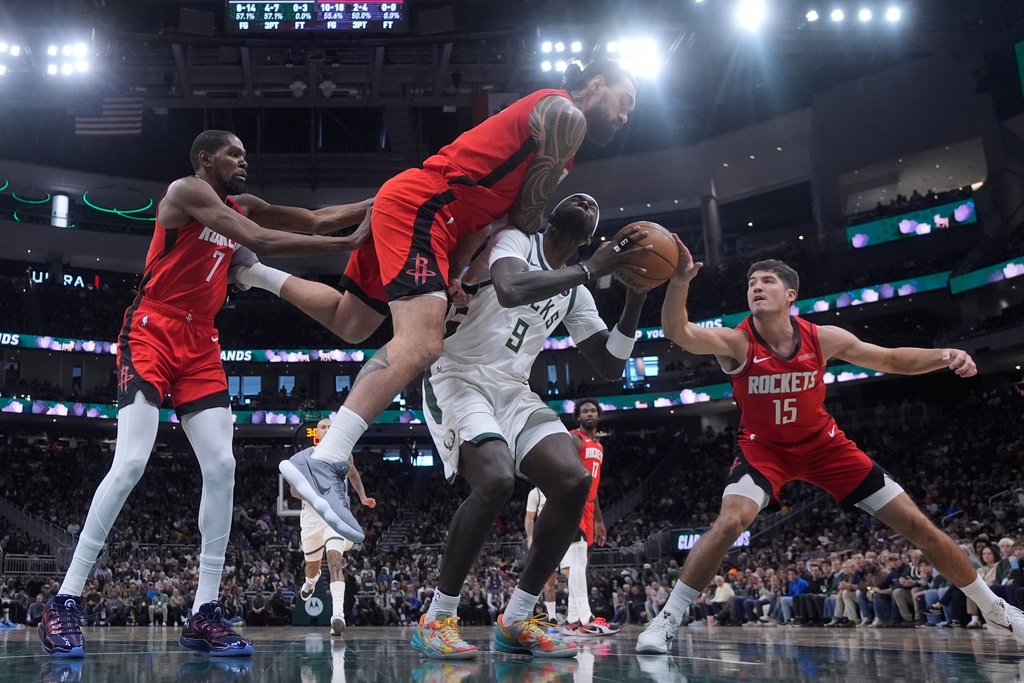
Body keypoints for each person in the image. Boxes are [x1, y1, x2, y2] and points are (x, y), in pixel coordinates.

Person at [264, 58, 639, 547]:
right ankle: (325, 460)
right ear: (595, 84)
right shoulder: (566, 117)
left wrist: (458, 271)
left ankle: (252, 270)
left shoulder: (556, 129)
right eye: (624, 101)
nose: (626, 115)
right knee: (421, 344)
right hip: (427, 209)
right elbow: (523, 219)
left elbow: (486, 215)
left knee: (351, 321)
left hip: (435, 217)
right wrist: (590, 263)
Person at [38, 129, 373, 659]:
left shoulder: (244, 203)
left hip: (200, 341)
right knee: (130, 463)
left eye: (246, 151)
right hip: (151, 329)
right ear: (205, 159)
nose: (243, 159)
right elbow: (258, 239)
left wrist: (383, 202)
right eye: (233, 153)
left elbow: (311, 218)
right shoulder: (188, 192)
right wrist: (347, 246)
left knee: (222, 468)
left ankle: (205, 610)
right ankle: (65, 599)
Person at [635, 250, 1024, 653]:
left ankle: (994, 607)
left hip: (826, 447)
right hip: (764, 450)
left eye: (766, 281)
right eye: (751, 283)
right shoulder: (736, 342)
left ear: (790, 295)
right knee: (731, 522)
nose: (756, 287)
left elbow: (890, 359)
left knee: (918, 525)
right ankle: (668, 617)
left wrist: (946, 356)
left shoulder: (822, 338)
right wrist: (679, 281)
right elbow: (678, 330)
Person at [407, 193, 650, 659]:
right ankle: (437, 617)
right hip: (457, 375)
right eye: (575, 194)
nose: (584, 198)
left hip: (513, 389)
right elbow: (511, 289)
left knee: (573, 478)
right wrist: (590, 270)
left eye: (594, 204)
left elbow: (609, 366)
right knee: (496, 479)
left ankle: (518, 617)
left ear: (588, 237)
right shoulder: (516, 239)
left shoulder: (577, 292)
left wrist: (635, 298)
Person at [525, 400, 620, 637]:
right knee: (576, 563)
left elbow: (594, 486)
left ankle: (574, 619)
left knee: (581, 563)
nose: (589, 414)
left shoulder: (597, 445)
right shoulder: (574, 438)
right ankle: (584, 618)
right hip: (572, 504)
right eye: (585, 411)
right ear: (578, 417)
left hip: (587, 508)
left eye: (593, 410)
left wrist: (598, 519)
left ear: (599, 415)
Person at [292, 417, 376, 636]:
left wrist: (364, 496)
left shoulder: (344, 454)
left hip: (336, 515)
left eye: (331, 426)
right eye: (323, 427)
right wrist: (316, 497)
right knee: (312, 566)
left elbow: (354, 475)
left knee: (335, 560)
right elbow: (293, 491)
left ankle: (337, 615)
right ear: (316, 433)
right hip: (311, 517)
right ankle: (312, 579)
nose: (327, 429)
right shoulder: (306, 457)